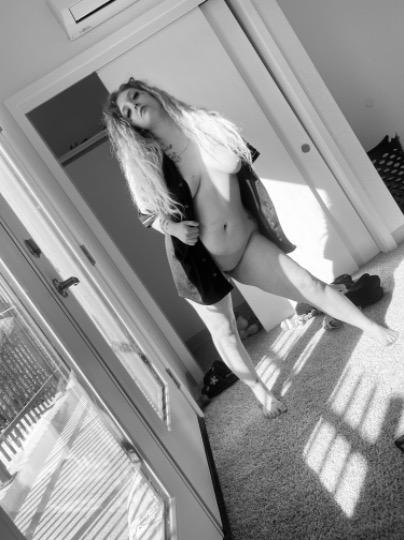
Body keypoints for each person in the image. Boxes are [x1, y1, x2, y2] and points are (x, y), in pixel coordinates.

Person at [103, 78, 398, 418]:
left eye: (135, 96)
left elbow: (244, 162)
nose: (134, 106)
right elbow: (147, 214)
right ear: (130, 125)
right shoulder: (145, 162)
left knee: (308, 284)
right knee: (225, 331)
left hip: (244, 243)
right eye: (127, 111)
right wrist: (173, 228)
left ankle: (372, 328)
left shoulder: (206, 125)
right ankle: (261, 392)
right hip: (197, 261)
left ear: (152, 94)